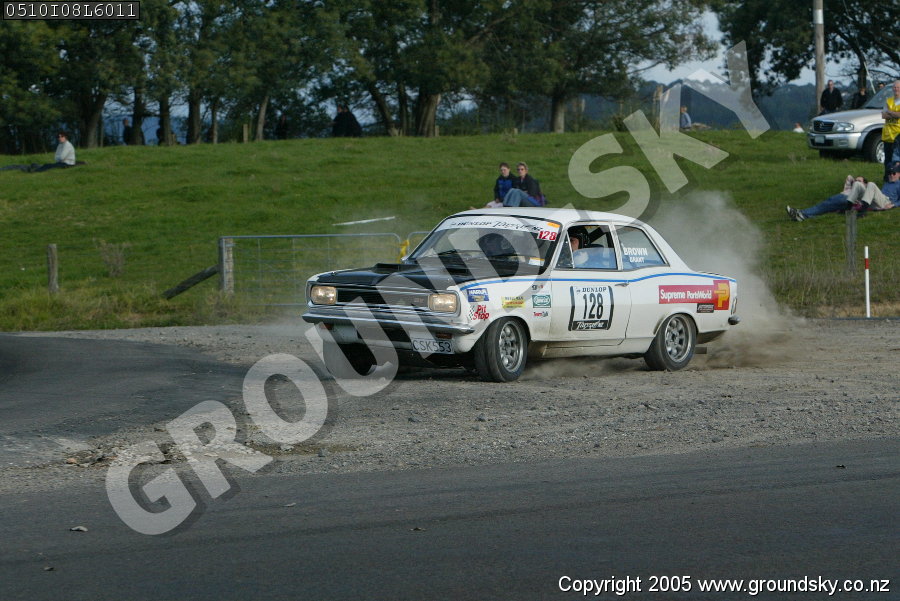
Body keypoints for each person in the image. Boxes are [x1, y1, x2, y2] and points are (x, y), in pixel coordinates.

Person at [786, 165, 900, 221]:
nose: (891, 175)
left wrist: (894, 204)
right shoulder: (887, 183)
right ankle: (848, 208)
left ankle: (862, 212)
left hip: (886, 202)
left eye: (894, 173)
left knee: (872, 184)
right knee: (857, 184)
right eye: (889, 173)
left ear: (899, 174)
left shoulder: (898, 184)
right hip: (874, 201)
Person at [882, 81, 900, 179]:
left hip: (898, 134)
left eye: (898, 87)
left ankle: (896, 179)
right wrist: (895, 113)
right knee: (888, 159)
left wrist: (890, 112)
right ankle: (887, 178)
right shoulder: (888, 100)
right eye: (894, 87)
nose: (896, 89)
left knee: (896, 159)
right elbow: (883, 115)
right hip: (887, 135)